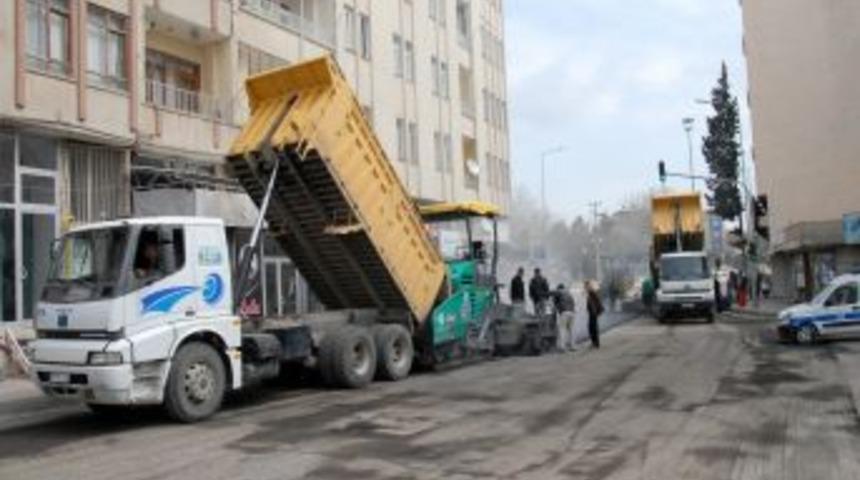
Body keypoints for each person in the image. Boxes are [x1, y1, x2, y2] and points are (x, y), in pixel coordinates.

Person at [553, 284, 576, 351]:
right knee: (571, 330)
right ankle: (573, 346)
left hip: (564, 312)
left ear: (559, 288)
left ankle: (562, 347)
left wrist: (557, 308)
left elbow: (555, 303)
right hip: (572, 312)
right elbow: (573, 303)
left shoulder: (559, 292)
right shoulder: (569, 293)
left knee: (562, 329)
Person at [586, 280, 604, 349]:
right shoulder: (590, 293)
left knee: (593, 328)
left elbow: (597, 302)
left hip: (593, 313)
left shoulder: (592, 292)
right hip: (593, 313)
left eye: (586, 286)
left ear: (588, 286)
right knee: (592, 328)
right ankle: (595, 343)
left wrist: (596, 311)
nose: (585, 288)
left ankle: (595, 343)